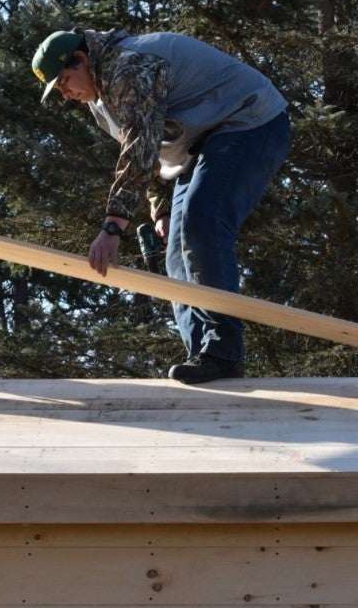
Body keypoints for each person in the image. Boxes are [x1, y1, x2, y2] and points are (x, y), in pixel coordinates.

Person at [32, 28, 290, 385]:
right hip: (200, 148)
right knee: (176, 252)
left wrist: (113, 227)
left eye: (63, 81)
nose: (64, 94)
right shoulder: (101, 104)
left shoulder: (129, 67)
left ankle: (223, 351)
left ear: (81, 59)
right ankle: (205, 356)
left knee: (204, 221)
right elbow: (144, 153)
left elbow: (139, 147)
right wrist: (161, 209)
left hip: (250, 121)